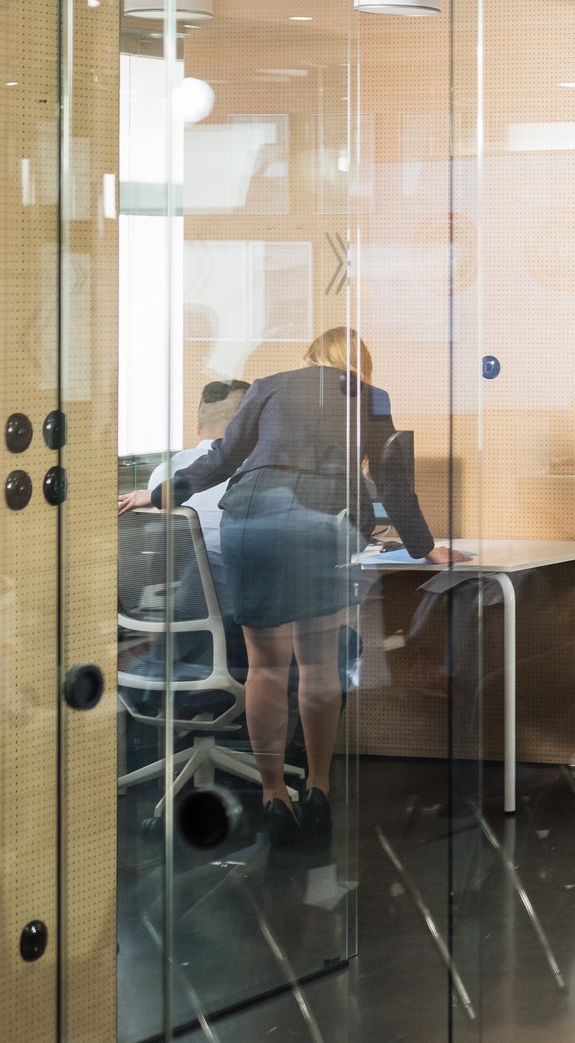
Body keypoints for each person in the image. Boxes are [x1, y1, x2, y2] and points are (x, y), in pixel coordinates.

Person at [118, 329, 464, 844]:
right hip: (322, 521)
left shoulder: (270, 385)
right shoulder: (370, 397)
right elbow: (394, 481)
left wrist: (157, 493)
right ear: (360, 367)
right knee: (319, 663)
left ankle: (273, 793)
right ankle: (319, 787)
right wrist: (425, 547)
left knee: (266, 665)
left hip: (251, 517)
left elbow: (220, 459)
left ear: (309, 359)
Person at [145, 379, 249, 560]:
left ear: (197, 430)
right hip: (237, 584)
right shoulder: (253, 474)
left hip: (182, 584)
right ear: (249, 428)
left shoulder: (164, 473)